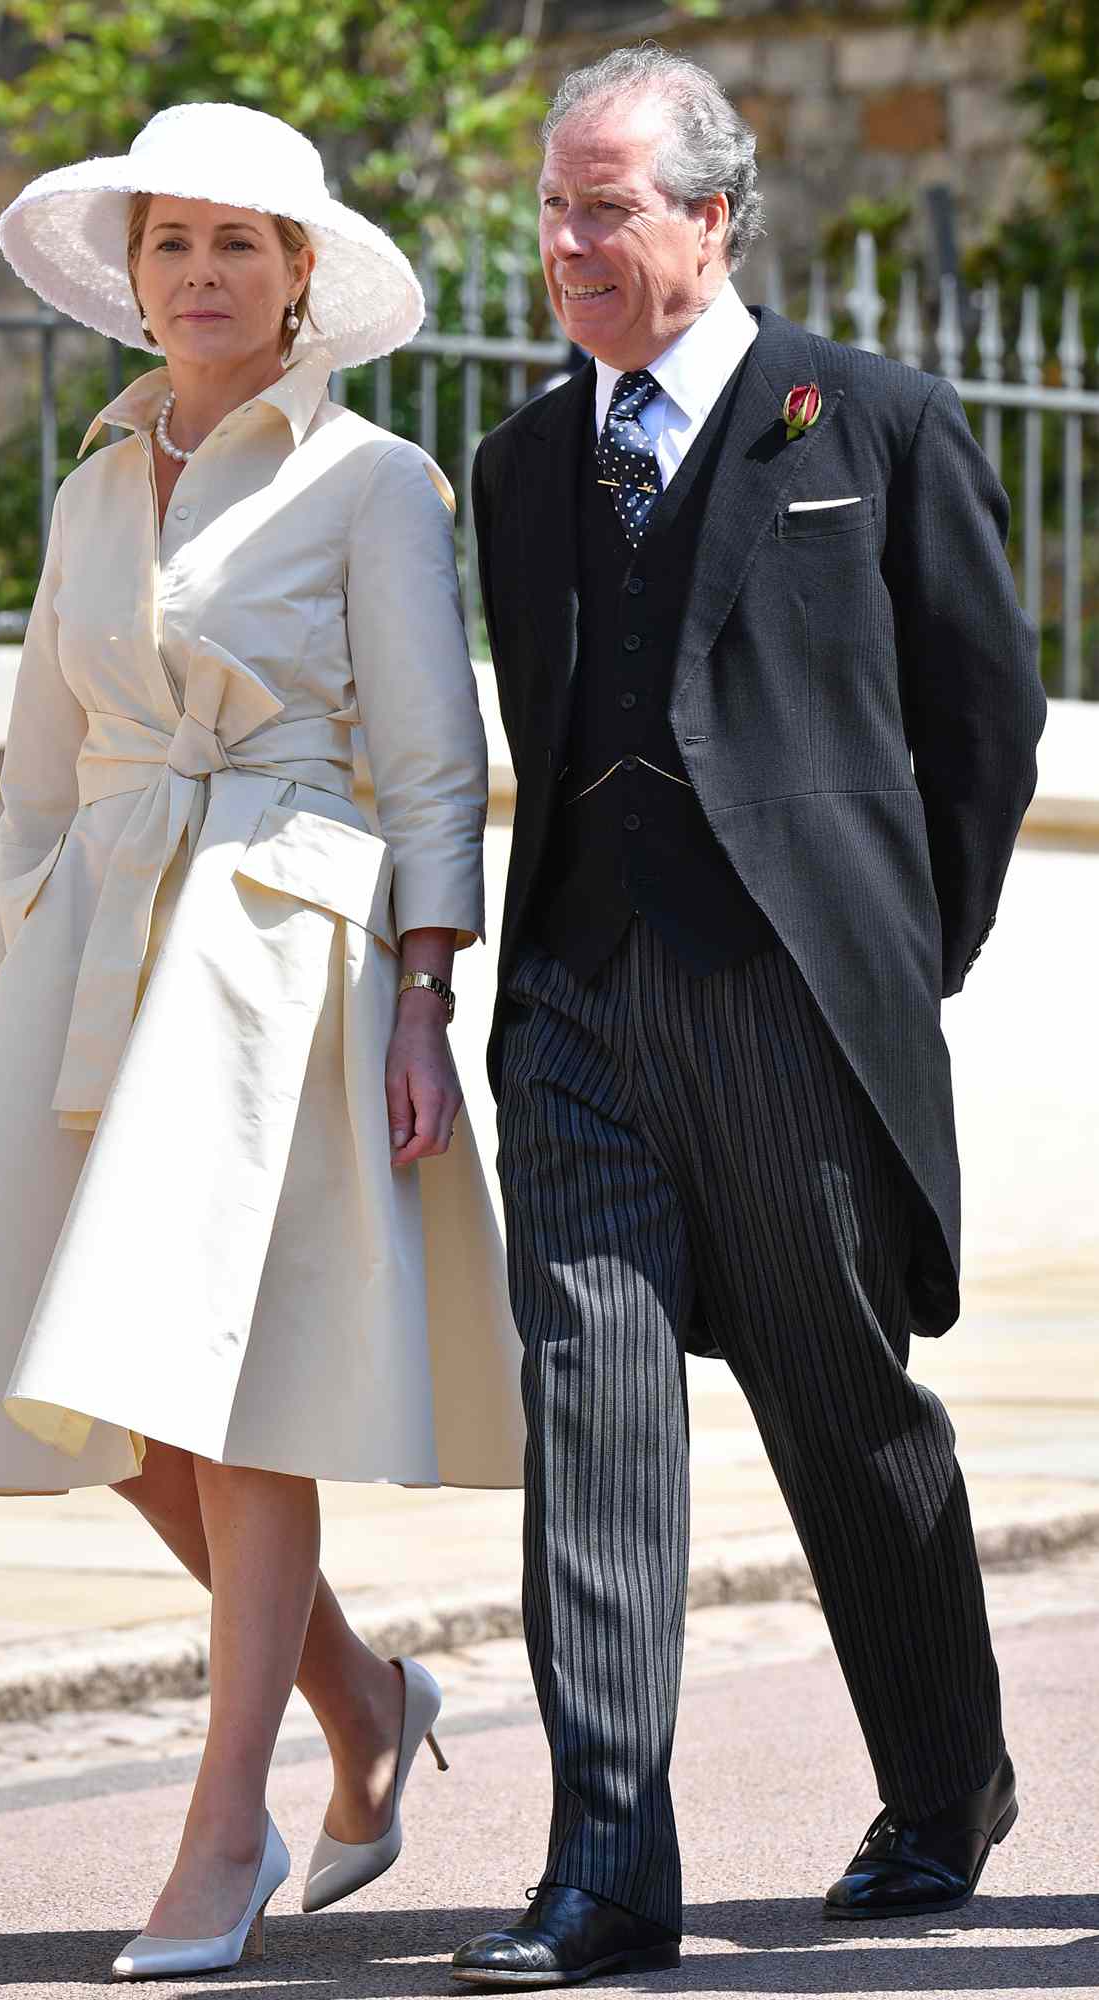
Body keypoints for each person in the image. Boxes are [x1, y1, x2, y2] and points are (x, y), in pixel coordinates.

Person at [0, 101, 523, 1979]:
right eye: (173, 243)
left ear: (300, 274)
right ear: (134, 274)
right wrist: (19, 958)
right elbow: (35, 770)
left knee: (228, 1395)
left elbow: (427, 764)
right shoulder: (87, 483)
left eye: (242, 243)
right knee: (68, 1370)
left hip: (273, 953)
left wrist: (422, 988)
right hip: (93, 944)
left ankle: (222, 1828)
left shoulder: (375, 480)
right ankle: (366, 1703)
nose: (204, 273)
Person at [454, 44, 1044, 1988]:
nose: (565, 243)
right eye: (551, 207)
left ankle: (946, 1778)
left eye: (603, 206)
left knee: (842, 1414)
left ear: (713, 215)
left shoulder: (868, 416)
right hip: (578, 1015)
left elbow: (984, 726)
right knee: (590, 1420)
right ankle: (609, 1866)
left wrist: (888, 965)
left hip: (796, 1015)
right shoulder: (523, 464)